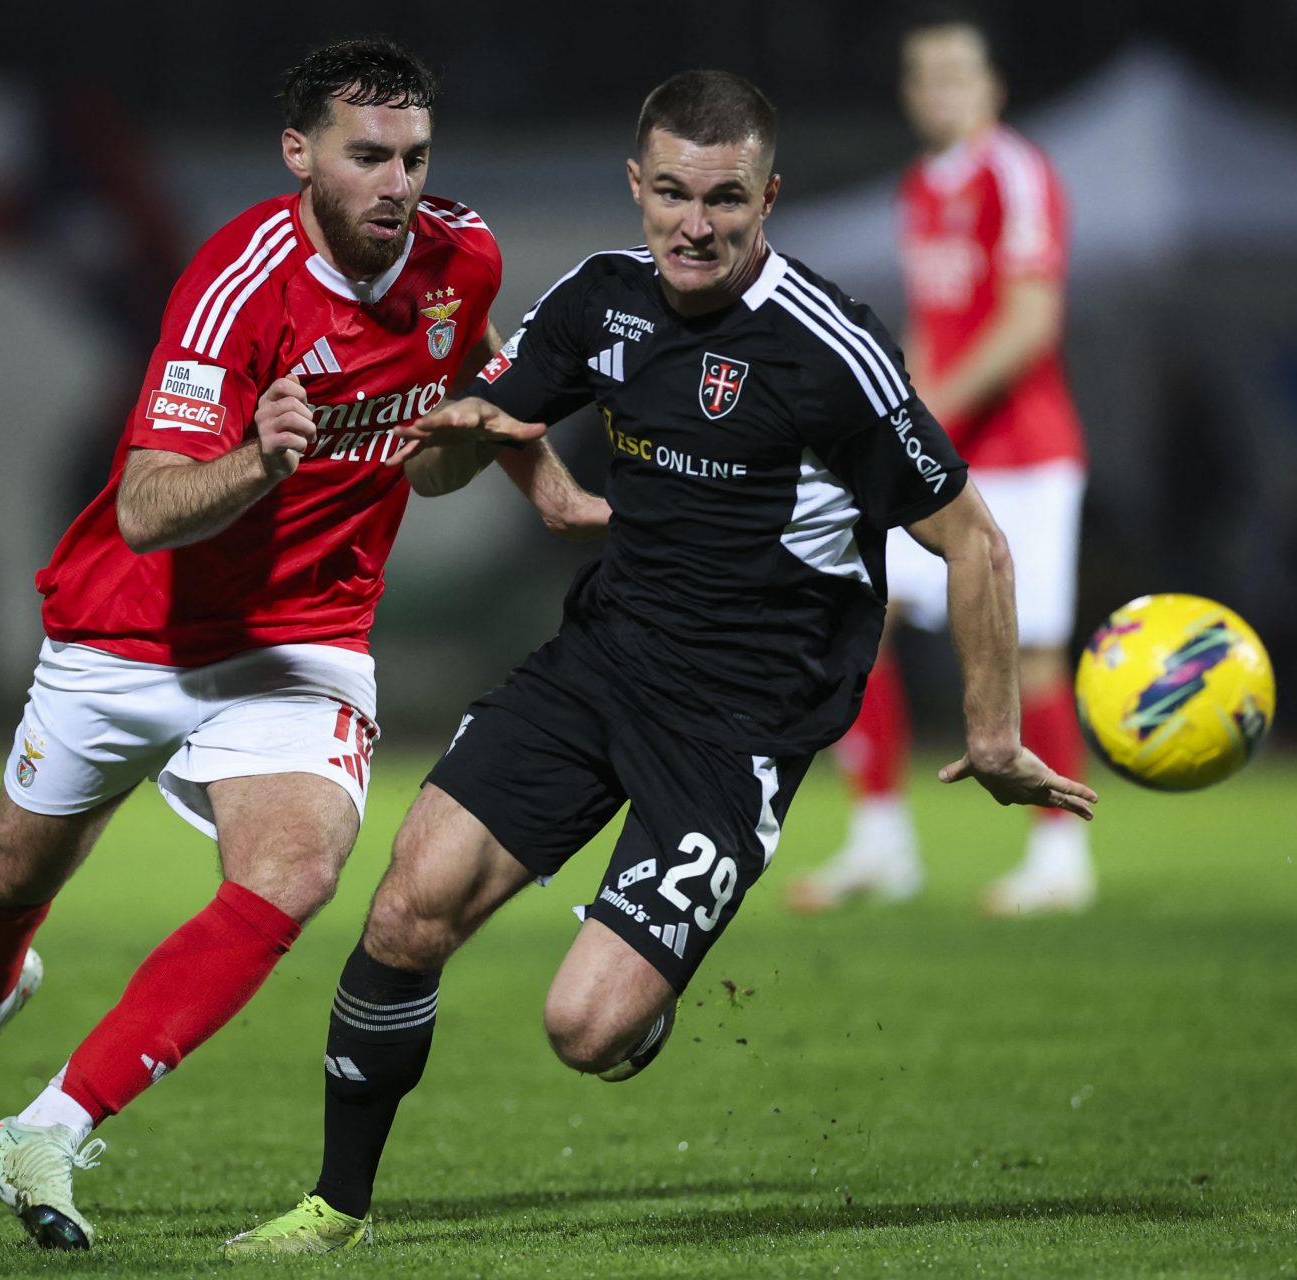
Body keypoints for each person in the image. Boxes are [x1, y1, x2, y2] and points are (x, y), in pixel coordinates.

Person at [224, 67, 1096, 1256]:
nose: (697, 224)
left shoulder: (826, 351)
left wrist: (992, 735)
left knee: (582, 1028)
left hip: (741, 724)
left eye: (726, 199)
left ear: (769, 199)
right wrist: (463, 444)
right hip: (606, 657)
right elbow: (441, 462)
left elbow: (976, 539)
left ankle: (641, 1005)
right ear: (637, 188)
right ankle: (336, 1207)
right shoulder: (600, 301)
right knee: (409, 901)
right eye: (675, 193)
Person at [0, 37, 601, 1251]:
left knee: (293, 870)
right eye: (369, 156)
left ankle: (47, 1129)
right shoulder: (238, 283)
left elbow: (442, 427)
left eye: (416, 158)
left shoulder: (460, 257)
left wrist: (527, 470)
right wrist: (262, 460)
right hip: (136, 630)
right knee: (15, 874)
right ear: (301, 155)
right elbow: (145, 506)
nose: (398, 184)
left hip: (306, 636)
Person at [786, 8, 1095, 917]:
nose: (940, 90)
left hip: (1026, 455)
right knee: (860, 620)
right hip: (952, 452)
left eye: (958, 73)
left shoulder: (1018, 172)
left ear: (994, 86)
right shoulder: (920, 187)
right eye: (924, 76)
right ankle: (882, 845)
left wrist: (931, 409)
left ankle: (1061, 855)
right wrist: (895, 409)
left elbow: (1032, 321)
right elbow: (935, 321)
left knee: (1028, 650)